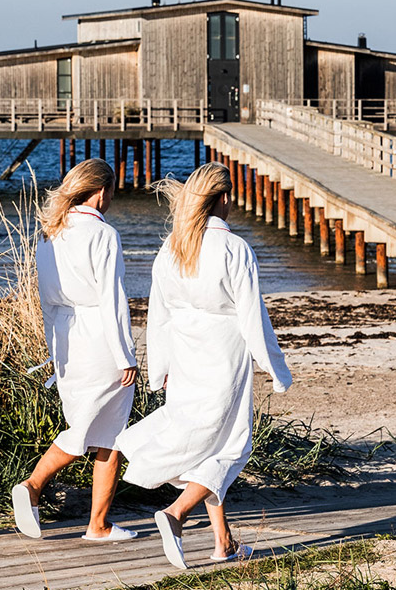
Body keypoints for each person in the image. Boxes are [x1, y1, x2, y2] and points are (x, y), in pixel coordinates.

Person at [115, 162, 292, 568]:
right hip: (223, 355)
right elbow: (252, 316)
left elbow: (157, 313)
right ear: (224, 199)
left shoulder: (173, 248)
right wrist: (276, 369)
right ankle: (176, 513)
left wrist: (158, 369)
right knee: (232, 445)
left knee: (207, 445)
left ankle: (223, 542)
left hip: (184, 354)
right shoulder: (233, 249)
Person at [12, 158, 140, 543]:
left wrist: (56, 349)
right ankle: (33, 485)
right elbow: (112, 301)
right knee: (98, 430)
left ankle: (98, 525)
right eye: (113, 193)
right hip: (100, 340)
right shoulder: (103, 235)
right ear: (101, 192)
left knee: (103, 431)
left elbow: (46, 301)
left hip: (67, 340)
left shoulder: (51, 235)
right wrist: (126, 355)